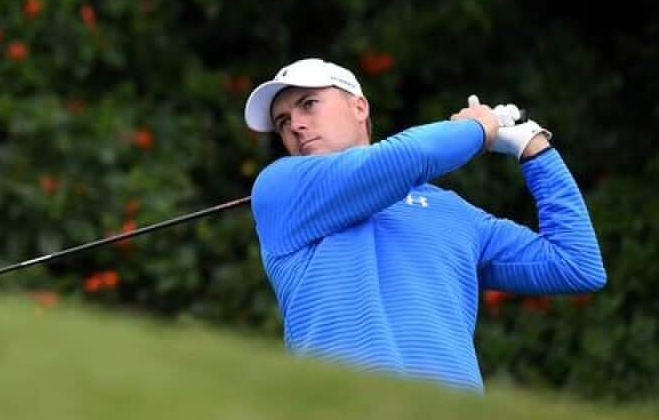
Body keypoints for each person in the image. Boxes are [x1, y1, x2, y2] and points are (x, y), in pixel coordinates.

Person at [243, 57, 606, 392]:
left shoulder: (453, 211)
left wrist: (534, 149)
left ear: (359, 106)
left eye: (308, 104)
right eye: (283, 122)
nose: (297, 126)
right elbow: (409, 157)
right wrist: (478, 127)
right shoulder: (281, 188)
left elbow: (576, 265)